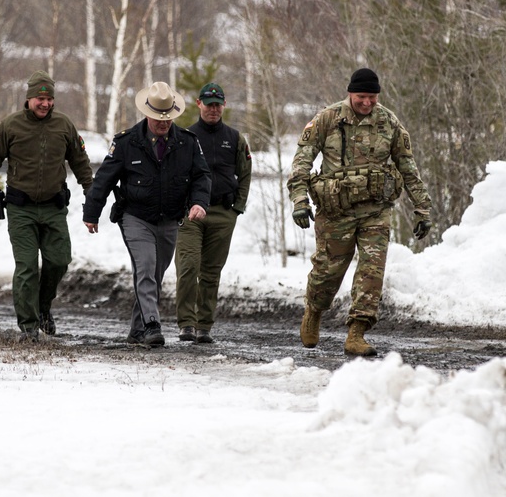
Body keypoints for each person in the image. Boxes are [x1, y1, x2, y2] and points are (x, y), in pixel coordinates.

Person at [287, 68, 432, 357]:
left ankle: (357, 332)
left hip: (375, 211)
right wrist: (300, 200)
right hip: (336, 211)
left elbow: (408, 167)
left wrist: (422, 207)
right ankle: (314, 309)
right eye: (361, 97)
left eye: (372, 97)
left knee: (372, 271)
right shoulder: (328, 119)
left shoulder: (388, 122)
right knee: (328, 270)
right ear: (350, 93)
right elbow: (301, 162)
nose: (367, 103)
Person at [83, 81, 211, 348]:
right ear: (147, 113)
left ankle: (137, 329)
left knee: (156, 273)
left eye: (168, 118)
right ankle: (152, 325)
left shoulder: (187, 143)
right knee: (145, 268)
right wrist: (92, 212)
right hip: (135, 216)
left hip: (169, 218)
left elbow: (201, 176)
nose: (163, 123)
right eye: (158, 118)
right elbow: (103, 179)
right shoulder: (127, 142)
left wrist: (199, 202)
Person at [0, 71, 93, 342]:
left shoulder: (64, 125)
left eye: (49, 98)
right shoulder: (10, 125)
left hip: (54, 207)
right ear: (28, 99)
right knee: (27, 266)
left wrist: (92, 197)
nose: (45, 104)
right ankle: (28, 327)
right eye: (40, 98)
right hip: (21, 209)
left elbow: (82, 164)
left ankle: (43, 306)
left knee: (59, 260)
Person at [173, 82, 252, 344]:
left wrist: (237, 208)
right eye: (209, 104)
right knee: (188, 266)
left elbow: (245, 173)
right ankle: (186, 323)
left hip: (222, 213)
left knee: (210, 272)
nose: (213, 109)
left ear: (224, 106)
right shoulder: (185, 137)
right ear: (199, 104)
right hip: (190, 214)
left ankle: (204, 325)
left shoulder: (235, 138)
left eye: (218, 104)